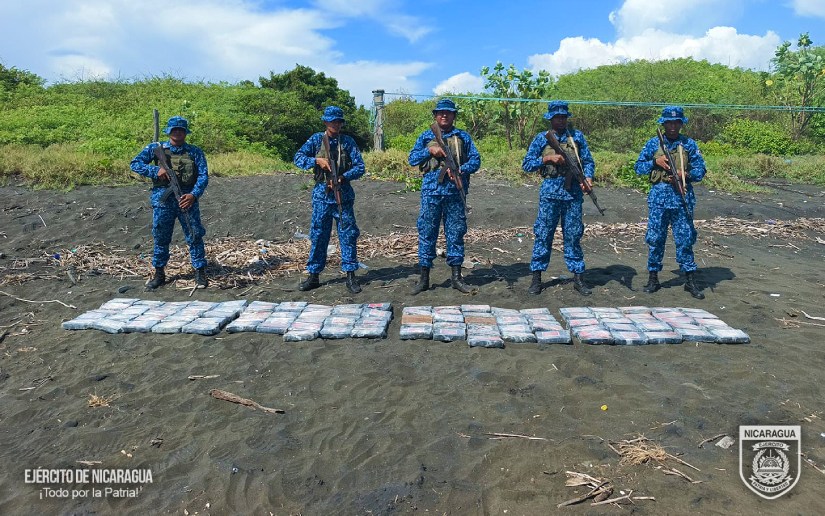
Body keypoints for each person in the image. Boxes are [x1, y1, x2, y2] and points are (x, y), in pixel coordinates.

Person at [521, 101, 595, 296]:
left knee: (573, 235)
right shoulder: (542, 138)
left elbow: (588, 161)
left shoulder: (577, 137)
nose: (561, 120)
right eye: (557, 117)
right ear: (551, 119)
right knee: (544, 234)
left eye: (563, 117)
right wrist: (547, 159)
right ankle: (536, 278)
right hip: (550, 195)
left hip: (573, 195)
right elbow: (526, 164)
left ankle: (578, 277)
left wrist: (588, 178)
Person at [407, 98, 481, 295]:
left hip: (455, 194)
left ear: (454, 115)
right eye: (441, 112)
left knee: (455, 234)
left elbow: (476, 160)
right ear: (435, 115)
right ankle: (424, 279)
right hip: (431, 193)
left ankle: (456, 278)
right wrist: (429, 150)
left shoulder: (463, 137)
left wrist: (460, 170)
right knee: (427, 233)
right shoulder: (426, 136)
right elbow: (412, 159)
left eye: (448, 112)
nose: (444, 115)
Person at [634, 106, 707, 299]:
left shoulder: (689, 144)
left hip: (681, 199)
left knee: (685, 239)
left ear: (681, 124)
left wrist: (685, 174)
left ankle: (689, 279)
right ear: (664, 124)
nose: (673, 127)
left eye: (676, 123)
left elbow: (701, 170)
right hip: (659, 200)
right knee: (655, 239)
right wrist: (655, 162)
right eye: (669, 123)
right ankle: (653, 278)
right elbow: (638, 167)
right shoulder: (653, 144)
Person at [130, 116, 209, 290]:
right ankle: (159, 273)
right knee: (161, 236)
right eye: (174, 130)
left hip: (186, 200)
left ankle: (199, 270)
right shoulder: (156, 148)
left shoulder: (194, 152)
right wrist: (155, 170)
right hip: (163, 201)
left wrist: (193, 195)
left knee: (194, 234)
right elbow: (135, 164)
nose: (177, 133)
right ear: (169, 131)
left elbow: (203, 176)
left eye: (181, 130)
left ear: (185, 133)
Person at [293, 106, 366, 294]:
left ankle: (350, 275)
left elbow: (360, 167)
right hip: (322, 196)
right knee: (318, 235)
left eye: (338, 121)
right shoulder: (316, 140)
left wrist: (343, 177)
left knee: (348, 235)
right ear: (325, 122)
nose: (336, 124)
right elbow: (298, 158)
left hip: (343, 195)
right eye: (332, 121)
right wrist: (316, 161)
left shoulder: (347, 142)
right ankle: (314, 275)